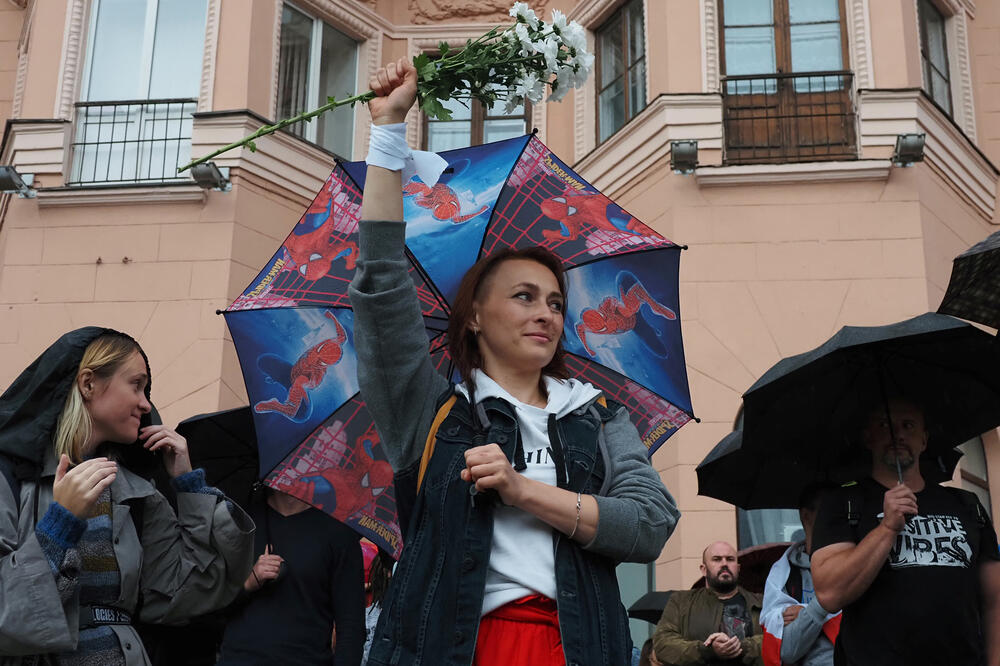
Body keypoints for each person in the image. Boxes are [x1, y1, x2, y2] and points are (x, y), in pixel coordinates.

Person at [349, 58, 679, 666]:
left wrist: (522, 490)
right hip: (457, 648)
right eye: (524, 297)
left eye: (555, 302)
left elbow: (650, 522)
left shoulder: (599, 416)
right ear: (474, 315)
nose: (546, 314)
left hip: (578, 646)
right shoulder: (432, 413)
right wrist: (388, 132)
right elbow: (380, 285)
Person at [0, 327, 255, 664]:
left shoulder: (136, 494)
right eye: (136, 385)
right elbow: (7, 612)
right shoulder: (12, 476)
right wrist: (60, 523)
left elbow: (194, 591)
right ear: (88, 383)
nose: (145, 403)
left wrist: (189, 482)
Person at [811, 399, 1000, 666]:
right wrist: (886, 528)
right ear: (868, 437)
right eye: (885, 424)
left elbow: (995, 600)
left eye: (908, 425)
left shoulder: (966, 505)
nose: (898, 434)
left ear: (924, 440)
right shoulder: (845, 503)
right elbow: (830, 593)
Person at [217, 488, 365, 665]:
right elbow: (212, 606)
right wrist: (250, 582)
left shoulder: (340, 534)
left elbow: (351, 626)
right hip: (239, 659)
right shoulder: (243, 521)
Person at [759, 485, 839, 666]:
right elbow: (786, 650)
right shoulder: (783, 574)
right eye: (829, 510)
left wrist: (806, 613)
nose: (837, 518)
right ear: (806, 516)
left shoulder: (856, 566)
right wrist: (825, 606)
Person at [653, 541, 763, 665]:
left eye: (730, 559)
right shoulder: (681, 602)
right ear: (704, 569)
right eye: (717, 559)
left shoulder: (762, 603)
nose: (724, 564)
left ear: (738, 568)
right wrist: (707, 650)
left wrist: (741, 647)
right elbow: (662, 644)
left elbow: (778, 640)